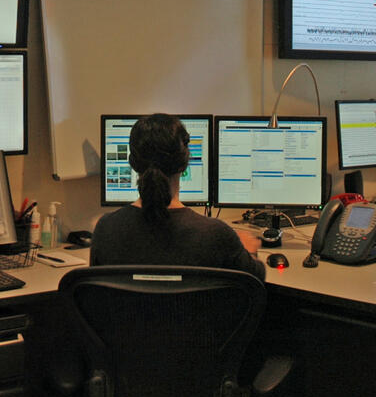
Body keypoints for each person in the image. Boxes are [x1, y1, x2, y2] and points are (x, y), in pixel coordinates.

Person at [90, 113, 265, 280]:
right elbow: (255, 280)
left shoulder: (105, 229)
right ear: (184, 163)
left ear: (132, 163)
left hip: (127, 312)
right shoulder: (215, 234)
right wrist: (249, 251)